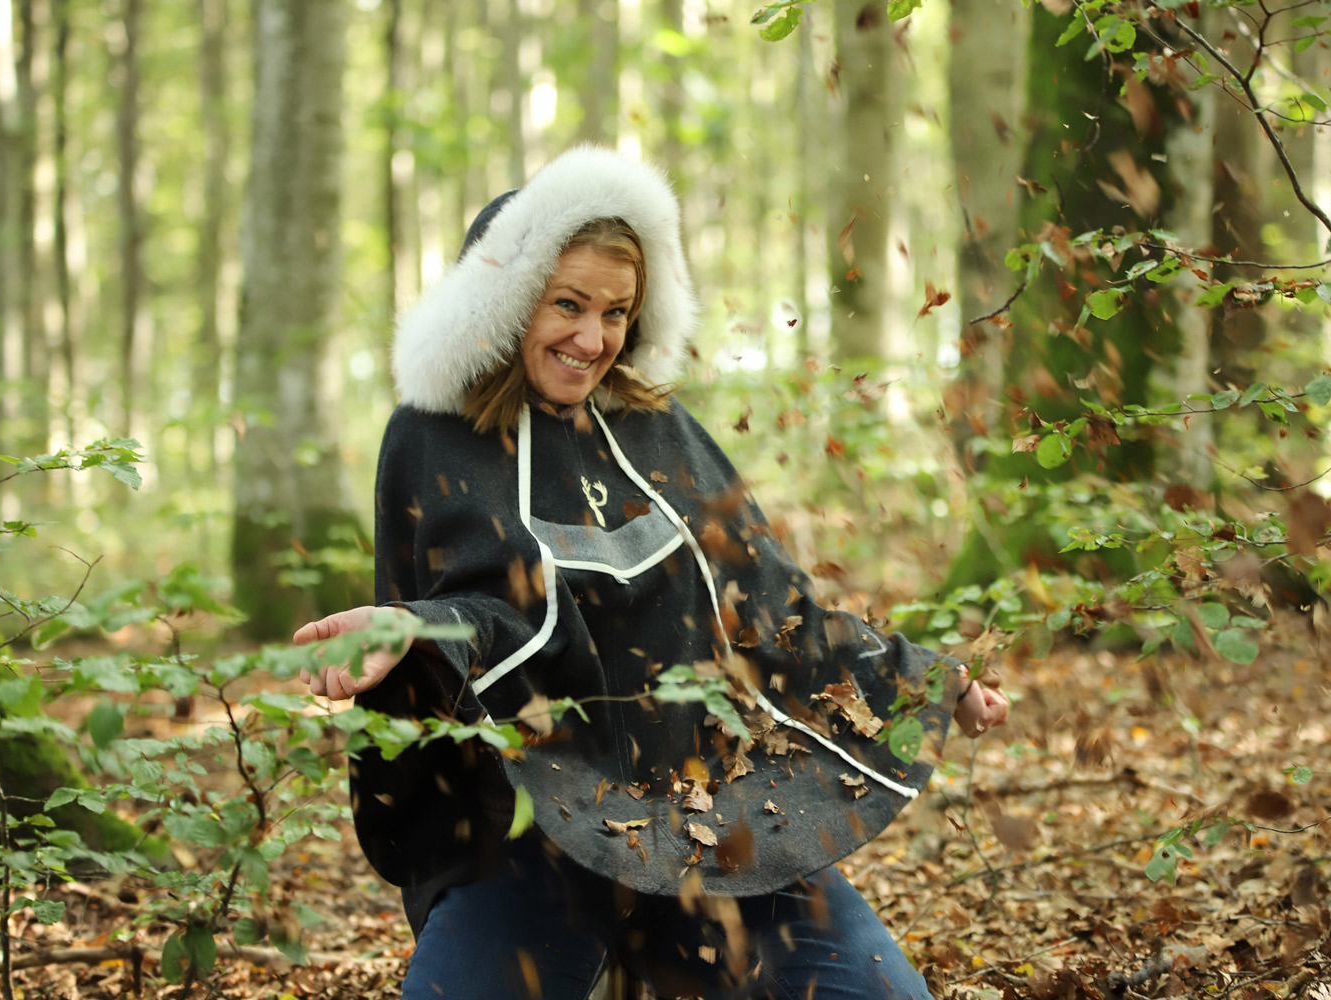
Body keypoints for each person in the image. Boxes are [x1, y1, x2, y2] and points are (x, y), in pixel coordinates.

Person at [296, 145, 1010, 999]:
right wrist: (412, 631)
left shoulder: (659, 429)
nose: (591, 339)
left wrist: (926, 679)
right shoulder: (432, 437)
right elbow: (486, 610)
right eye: (567, 304)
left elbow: (770, 604)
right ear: (507, 297)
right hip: (528, 836)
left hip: (705, 821)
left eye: (616, 312)